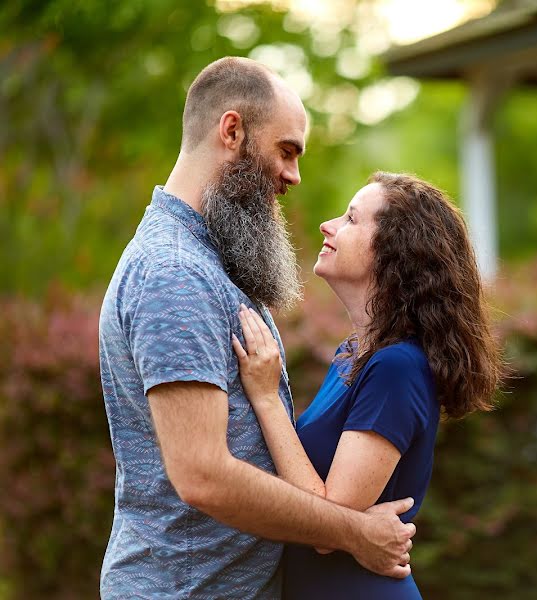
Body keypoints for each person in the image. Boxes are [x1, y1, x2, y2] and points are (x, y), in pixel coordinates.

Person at [98, 57, 414, 599]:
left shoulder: (213, 259)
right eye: (286, 150)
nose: (293, 175)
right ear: (232, 130)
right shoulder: (176, 273)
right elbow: (202, 475)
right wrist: (356, 532)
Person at [231, 172, 505, 598]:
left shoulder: (398, 367)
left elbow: (329, 522)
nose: (329, 225)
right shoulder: (353, 357)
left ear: (394, 252)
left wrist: (266, 398)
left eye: (352, 219)